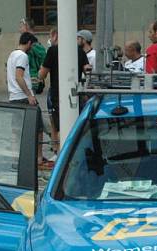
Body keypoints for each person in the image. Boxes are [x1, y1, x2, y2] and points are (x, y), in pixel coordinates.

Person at [39, 28, 89, 161]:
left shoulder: (53, 50)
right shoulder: (79, 50)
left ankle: (61, 155)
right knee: (74, 122)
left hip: (57, 93)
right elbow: (87, 69)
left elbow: (42, 74)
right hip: (75, 92)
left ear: (56, 36)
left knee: (59, 125)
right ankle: (73, 152)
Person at [7, 32, 38, 107]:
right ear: (29, 43)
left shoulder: (12, 55)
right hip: (22, 97)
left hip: (13, 97)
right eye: (32, 45)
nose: (32, 48)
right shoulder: (22, 56)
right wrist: (29, 95)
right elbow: (19, 77)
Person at [19, 19, 47, 95]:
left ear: (26, 27)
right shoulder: (32, 43)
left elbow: (44, 59)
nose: (19, 29)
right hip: (28, 78)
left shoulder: (34, 44)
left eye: (21, 26)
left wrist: (39, 74)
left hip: (31, 78)